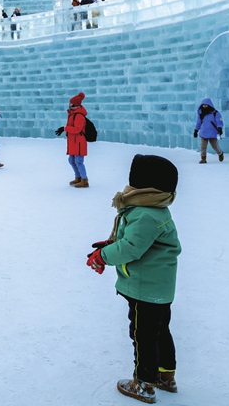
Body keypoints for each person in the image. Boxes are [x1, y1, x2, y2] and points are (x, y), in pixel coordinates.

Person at [87, 154, 182, 403]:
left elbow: (131, 248)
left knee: (143, 335)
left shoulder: (145, 214)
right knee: (160, 331)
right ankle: (165, 375)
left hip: (145, 287)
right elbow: (134, 240)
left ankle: (144, 383)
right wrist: (111, 243)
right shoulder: (150, 209)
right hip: (157, 286)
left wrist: (103, 256)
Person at [56, 92, 89, 187]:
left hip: (78, 142)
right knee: (71, 160)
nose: (69, 105)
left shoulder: (79, 116)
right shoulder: (72, 114)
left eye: (71, 104)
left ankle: (84, 180)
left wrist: (65, 128)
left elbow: (77, 129)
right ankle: (78, 177)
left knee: (79, 161)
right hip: (73, 142)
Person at [194, 98, 224, 163]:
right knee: (203, 146)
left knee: (214, 146)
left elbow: (219, 121)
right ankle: (203, 159)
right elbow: (198, 123)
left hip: (212, 133)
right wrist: (196, 130)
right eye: (203, 105)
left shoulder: (215, 113)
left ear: (209, 105)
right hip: (203, 132)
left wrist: (220, 128)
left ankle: (220, 153)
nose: (204, 106)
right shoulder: (200, 114)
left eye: (206, 105)